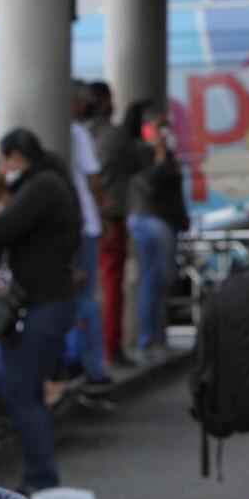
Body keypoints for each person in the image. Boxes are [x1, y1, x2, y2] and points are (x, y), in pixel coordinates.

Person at [0, 129, 81, 495]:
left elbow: (0, 229)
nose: (3, 168)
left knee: (23, 392)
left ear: (17, 157)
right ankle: (40, 475)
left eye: (4, 160)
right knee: (28, 392)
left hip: (42, 304)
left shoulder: (40, 187)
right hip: (50, 302)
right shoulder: (52, 183)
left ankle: (39, 478)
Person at [126, 105, 189, 360]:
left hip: (167, 220)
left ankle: (157, 337)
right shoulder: (142, 154)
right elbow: (149, 184)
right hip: (150, 219)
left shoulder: (167, 155)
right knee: (151, 280)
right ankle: (145, 340)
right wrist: (159, 153)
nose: (164, 131)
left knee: (163, 281)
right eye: (159, 126)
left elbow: (174, 188)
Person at [68, 81, 111, 393]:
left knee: (75, 298)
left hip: (72, 226)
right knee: (86, 298)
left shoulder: (64, 131)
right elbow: (93, 176)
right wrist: (102, 210)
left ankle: (78, 363)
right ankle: (94, 366)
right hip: (86, 225)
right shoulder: (78, 133)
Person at [98, 96, 143, 368]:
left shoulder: (84, 134)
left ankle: (105, 349)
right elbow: (141, 160)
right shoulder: (113, 136)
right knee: (112, 285)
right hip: (108, 218)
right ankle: (110, 348)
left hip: (99, 220)